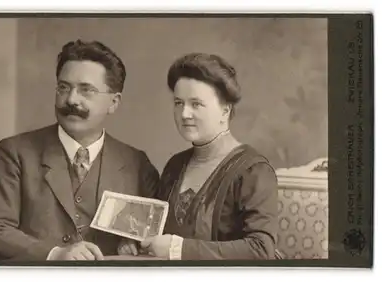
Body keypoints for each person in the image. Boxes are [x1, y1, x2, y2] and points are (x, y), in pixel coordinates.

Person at [0, 40, 160, 261]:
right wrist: (54, 254)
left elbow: (153, 233)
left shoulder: (136, 164)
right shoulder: (14, 153)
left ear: (114, 102)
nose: (71, 99)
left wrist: (136, 241)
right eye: (63, 87)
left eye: (86, 90)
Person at [118, 53, 278, 260]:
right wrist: (135, 239)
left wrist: (178, 249)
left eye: (196, 104)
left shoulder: (253, 171)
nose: (184, 114)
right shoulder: (175, 165)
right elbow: (155, 228)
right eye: (178, 103)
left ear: (225, 110)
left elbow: (261, 250)